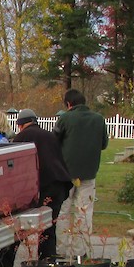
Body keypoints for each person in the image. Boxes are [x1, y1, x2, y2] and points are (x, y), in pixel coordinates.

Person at [11, 109, 72, 260]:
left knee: (19, 227)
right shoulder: (50, 136)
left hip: (40, 187)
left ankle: (4, 264)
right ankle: (47, 264)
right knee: (48, 228)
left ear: (20, 125)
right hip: (59, 185)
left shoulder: (21, 137)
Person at [53, 88, 108, 237]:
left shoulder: (65, 118)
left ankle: (61, 249)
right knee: (84, 211)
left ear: (69, 104)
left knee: (63, 211)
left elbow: (54, 142)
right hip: (89, 172)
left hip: (65, 174)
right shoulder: (98, 119)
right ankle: (81, 250)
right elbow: (104, 144)